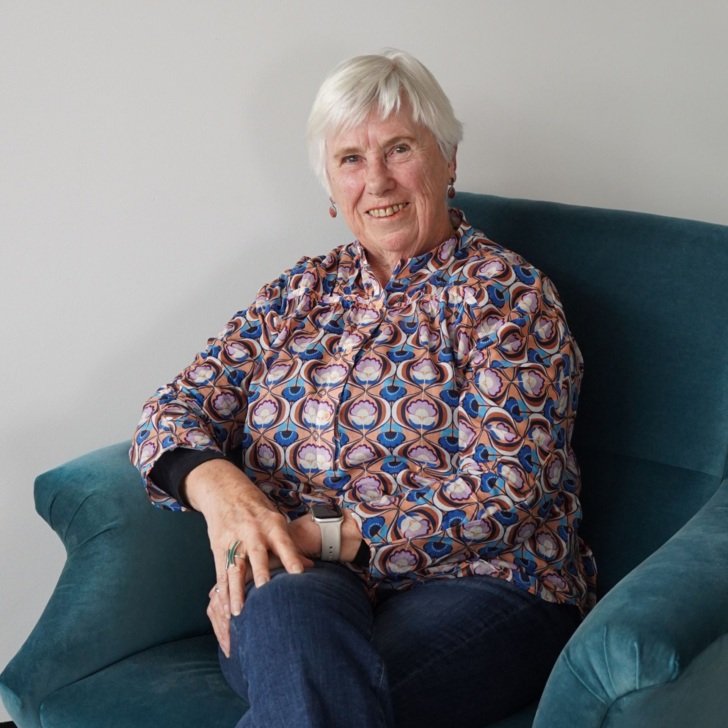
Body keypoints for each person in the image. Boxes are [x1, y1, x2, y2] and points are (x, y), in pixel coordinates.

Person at [130, 49, 597, 728]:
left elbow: (506, 488)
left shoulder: (507, 297)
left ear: (449, 160)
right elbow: (169, 412)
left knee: (309, 679)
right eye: (350, 159)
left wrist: (311, 536)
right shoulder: (298, 292)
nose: (376, 180)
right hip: (298, 583)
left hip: (488, 583)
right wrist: (226, 500)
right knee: (290, 620)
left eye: (399, 149)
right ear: (329, 187)